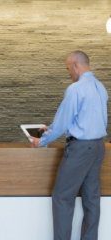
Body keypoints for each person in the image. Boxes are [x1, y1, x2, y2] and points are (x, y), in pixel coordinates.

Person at [31, 50, 108, 240]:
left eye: (68, 68)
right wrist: (51, 128)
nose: (68, 73)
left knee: (62, 197)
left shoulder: (76, 89)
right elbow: (87, 120)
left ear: (75, 65)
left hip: (80, 149)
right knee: (91, 199)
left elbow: (63, 123)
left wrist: (42, 140)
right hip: (98, 147)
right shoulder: (101, 87)